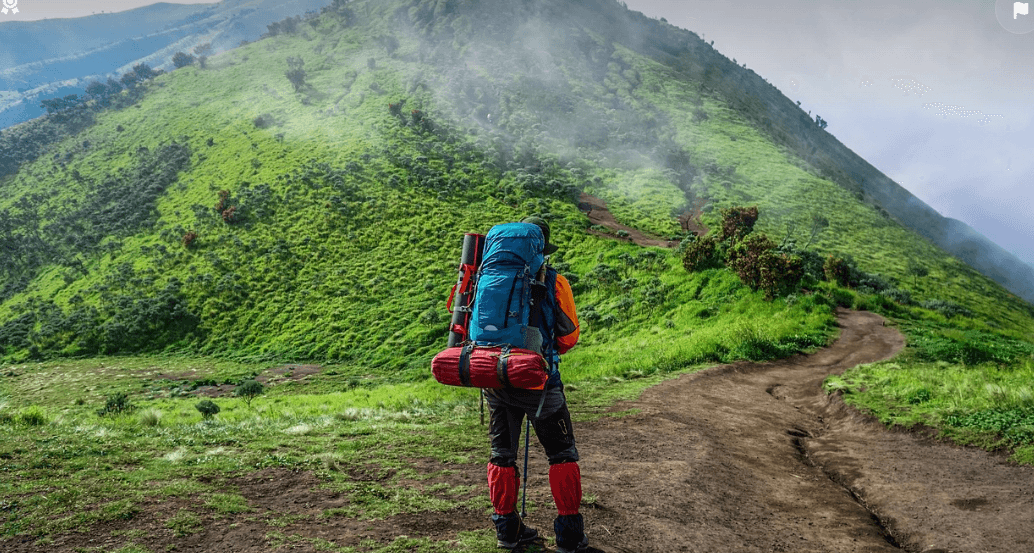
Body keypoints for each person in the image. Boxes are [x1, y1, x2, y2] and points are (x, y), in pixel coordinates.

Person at [485, 216, 589, 552]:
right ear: (541, 248)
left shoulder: (486, 277)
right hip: (538, 384)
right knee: (561, 455)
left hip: (495, 377)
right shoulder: (554, 282)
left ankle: (507, 532)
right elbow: (569, 337)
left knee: (502, 456)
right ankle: (569, 537)